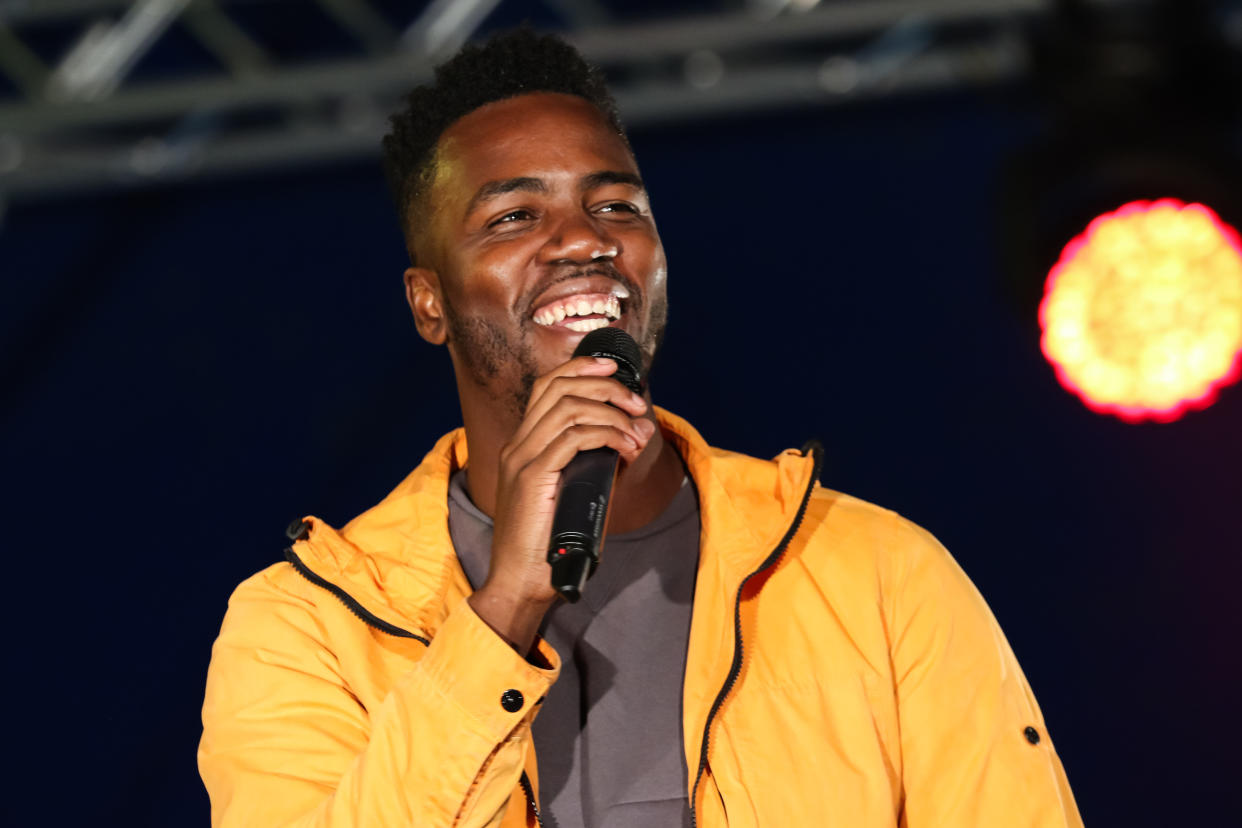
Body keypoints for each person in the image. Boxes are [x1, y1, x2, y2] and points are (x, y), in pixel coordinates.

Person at [198, 28, 1083, 828]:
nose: (582, 240)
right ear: (429, 303)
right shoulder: (303, 629)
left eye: (616, 206)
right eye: (513, 217)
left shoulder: (874, 575)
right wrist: (505, 610)